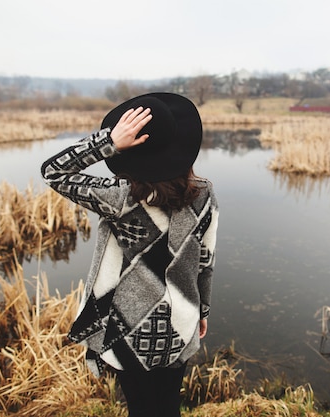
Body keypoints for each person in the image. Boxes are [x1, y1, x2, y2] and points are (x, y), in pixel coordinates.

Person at [41, 92, 219, 417]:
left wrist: (106, 142)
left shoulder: (120, 199)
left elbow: (54, 172)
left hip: (129, 331)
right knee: (168, 407)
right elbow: (206, 260)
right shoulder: (204, 195)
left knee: (140, 409)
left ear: (132, 154)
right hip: (182, 322)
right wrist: (203, 310)